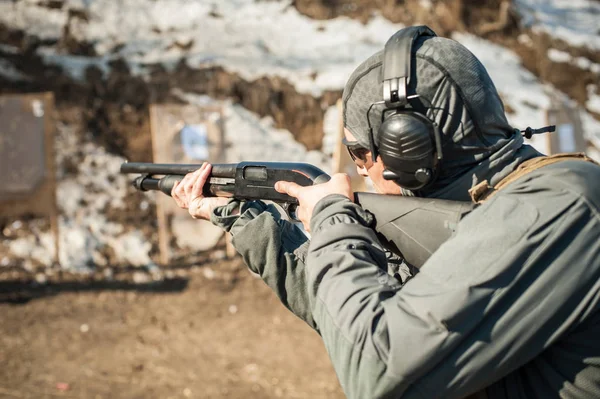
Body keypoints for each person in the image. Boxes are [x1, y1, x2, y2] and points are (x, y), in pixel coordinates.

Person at [171, 26, 600, 399]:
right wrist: (245, 221)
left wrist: (334, 221)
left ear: (407, 147)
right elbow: (350, 318)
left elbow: (376, 367)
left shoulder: (557, 208)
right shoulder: (494, 207)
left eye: (359, 152)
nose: (359, 168)